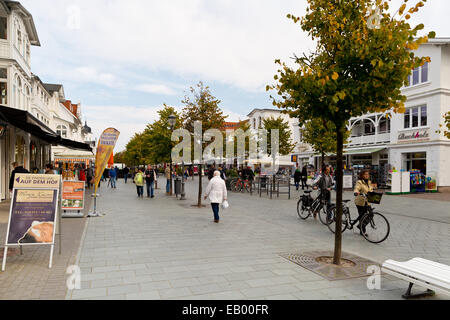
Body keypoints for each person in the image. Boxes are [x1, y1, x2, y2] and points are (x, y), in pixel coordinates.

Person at [354, 170, 375, 236]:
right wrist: (356, 192)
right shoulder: (359, 182)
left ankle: (360, 226)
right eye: (365, 174)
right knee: (362, 216)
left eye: (368, 174)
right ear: (362, 175)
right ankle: (363, 231)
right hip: (360, 202)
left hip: (367, 201)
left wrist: (374, 193)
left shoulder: (369, 182)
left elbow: (371, 190)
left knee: (371, 215)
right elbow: (356, 188)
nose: (367, 175)